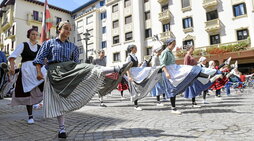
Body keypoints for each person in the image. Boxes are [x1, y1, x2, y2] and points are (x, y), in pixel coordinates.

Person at [33, 21, 132, 138]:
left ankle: (116, 68)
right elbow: (39, 59)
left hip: (69, 69)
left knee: (89, 67)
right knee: (58, 102)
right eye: (66, 28)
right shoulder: (49, 43)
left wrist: (80, 75)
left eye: (70, 29)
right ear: (59, 29)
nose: (68, 31)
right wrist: (39, 72)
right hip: (55, 72)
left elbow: (76, 63)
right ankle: (62, 129)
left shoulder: (73, 47)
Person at [160, 38, 222, 114]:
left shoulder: (170, 52)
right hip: (170, 71)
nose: (175, 45)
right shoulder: (165, 52)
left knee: (177, 86)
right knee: (172, 89)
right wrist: (166, 73)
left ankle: (208, 76)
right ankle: (173, 108)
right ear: (169, 44)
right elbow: (162, 64)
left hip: (174, 70)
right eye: (173, 44)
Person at [8, 28, 46, 124]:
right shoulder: (23, 45)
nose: (34, 36)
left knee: (45, 87)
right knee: (28, 93)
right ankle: (30, 116)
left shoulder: (39, 47)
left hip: (37, 70)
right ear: (29, 35)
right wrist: (12, 68)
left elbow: (43, 60)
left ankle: (41, 105)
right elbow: (12, 56)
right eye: (32, 34)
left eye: (36, 34)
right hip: (26, 71)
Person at [126, 44, 162, 111]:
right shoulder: (129, 57)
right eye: (135, 48)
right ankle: (136, 105)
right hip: (132, 73)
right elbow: (127, 67)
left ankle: (156, 70)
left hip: (136, 72)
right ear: (131, 49)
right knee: (134, 89)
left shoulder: (135, 57)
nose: (136, 49)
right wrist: (129, 76)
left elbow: (139, 65)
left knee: (138, 88)